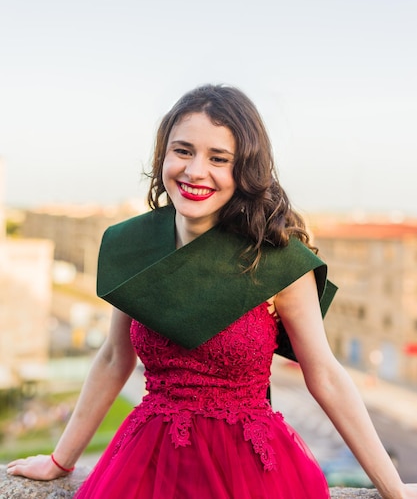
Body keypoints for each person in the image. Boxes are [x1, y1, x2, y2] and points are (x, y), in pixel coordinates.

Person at [7, 84, 417, 499]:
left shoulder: (276, 259)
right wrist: (60, 461)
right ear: (162, 155)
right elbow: (114, 357)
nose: (195, 171)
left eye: (218, 158)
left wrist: (396, 492)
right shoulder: (134, 246)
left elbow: (325, 375)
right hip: (147, 466)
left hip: (248, 474)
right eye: (183, 151)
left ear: (246, 171)